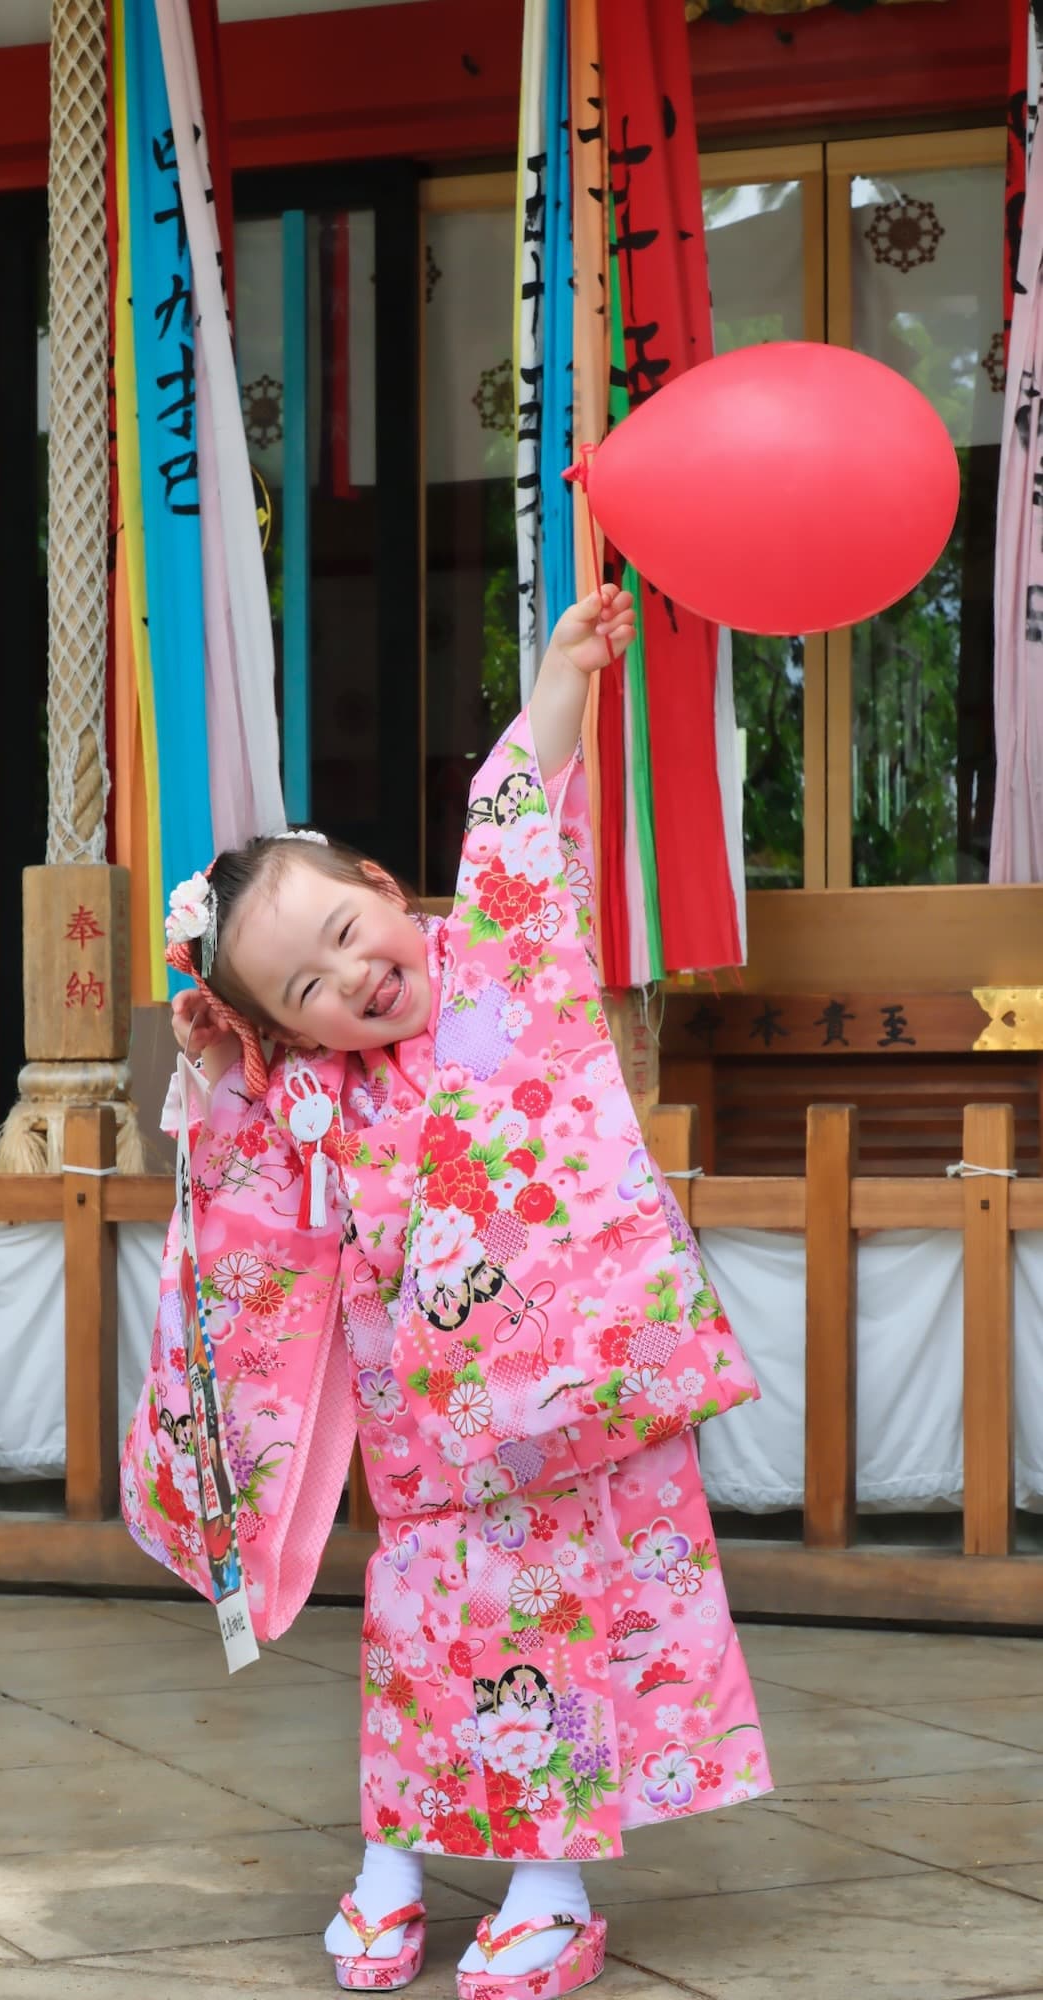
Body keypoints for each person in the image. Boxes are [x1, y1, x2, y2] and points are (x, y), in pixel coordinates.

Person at [122, 588, 772, 2000]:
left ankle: (550, 1886)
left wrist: (561, 680)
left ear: (382, 882)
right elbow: (238, 1222)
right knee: (422, 1643)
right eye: (309, 983)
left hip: (562, 1400)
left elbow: (512, 827)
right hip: (428, 1445)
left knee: (560, 1628)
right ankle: (396, 1857)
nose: (359, 973)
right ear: (282, 1023)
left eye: (355, 928)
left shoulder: (497, 977)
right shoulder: (301, 1097)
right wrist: (227, 1065)